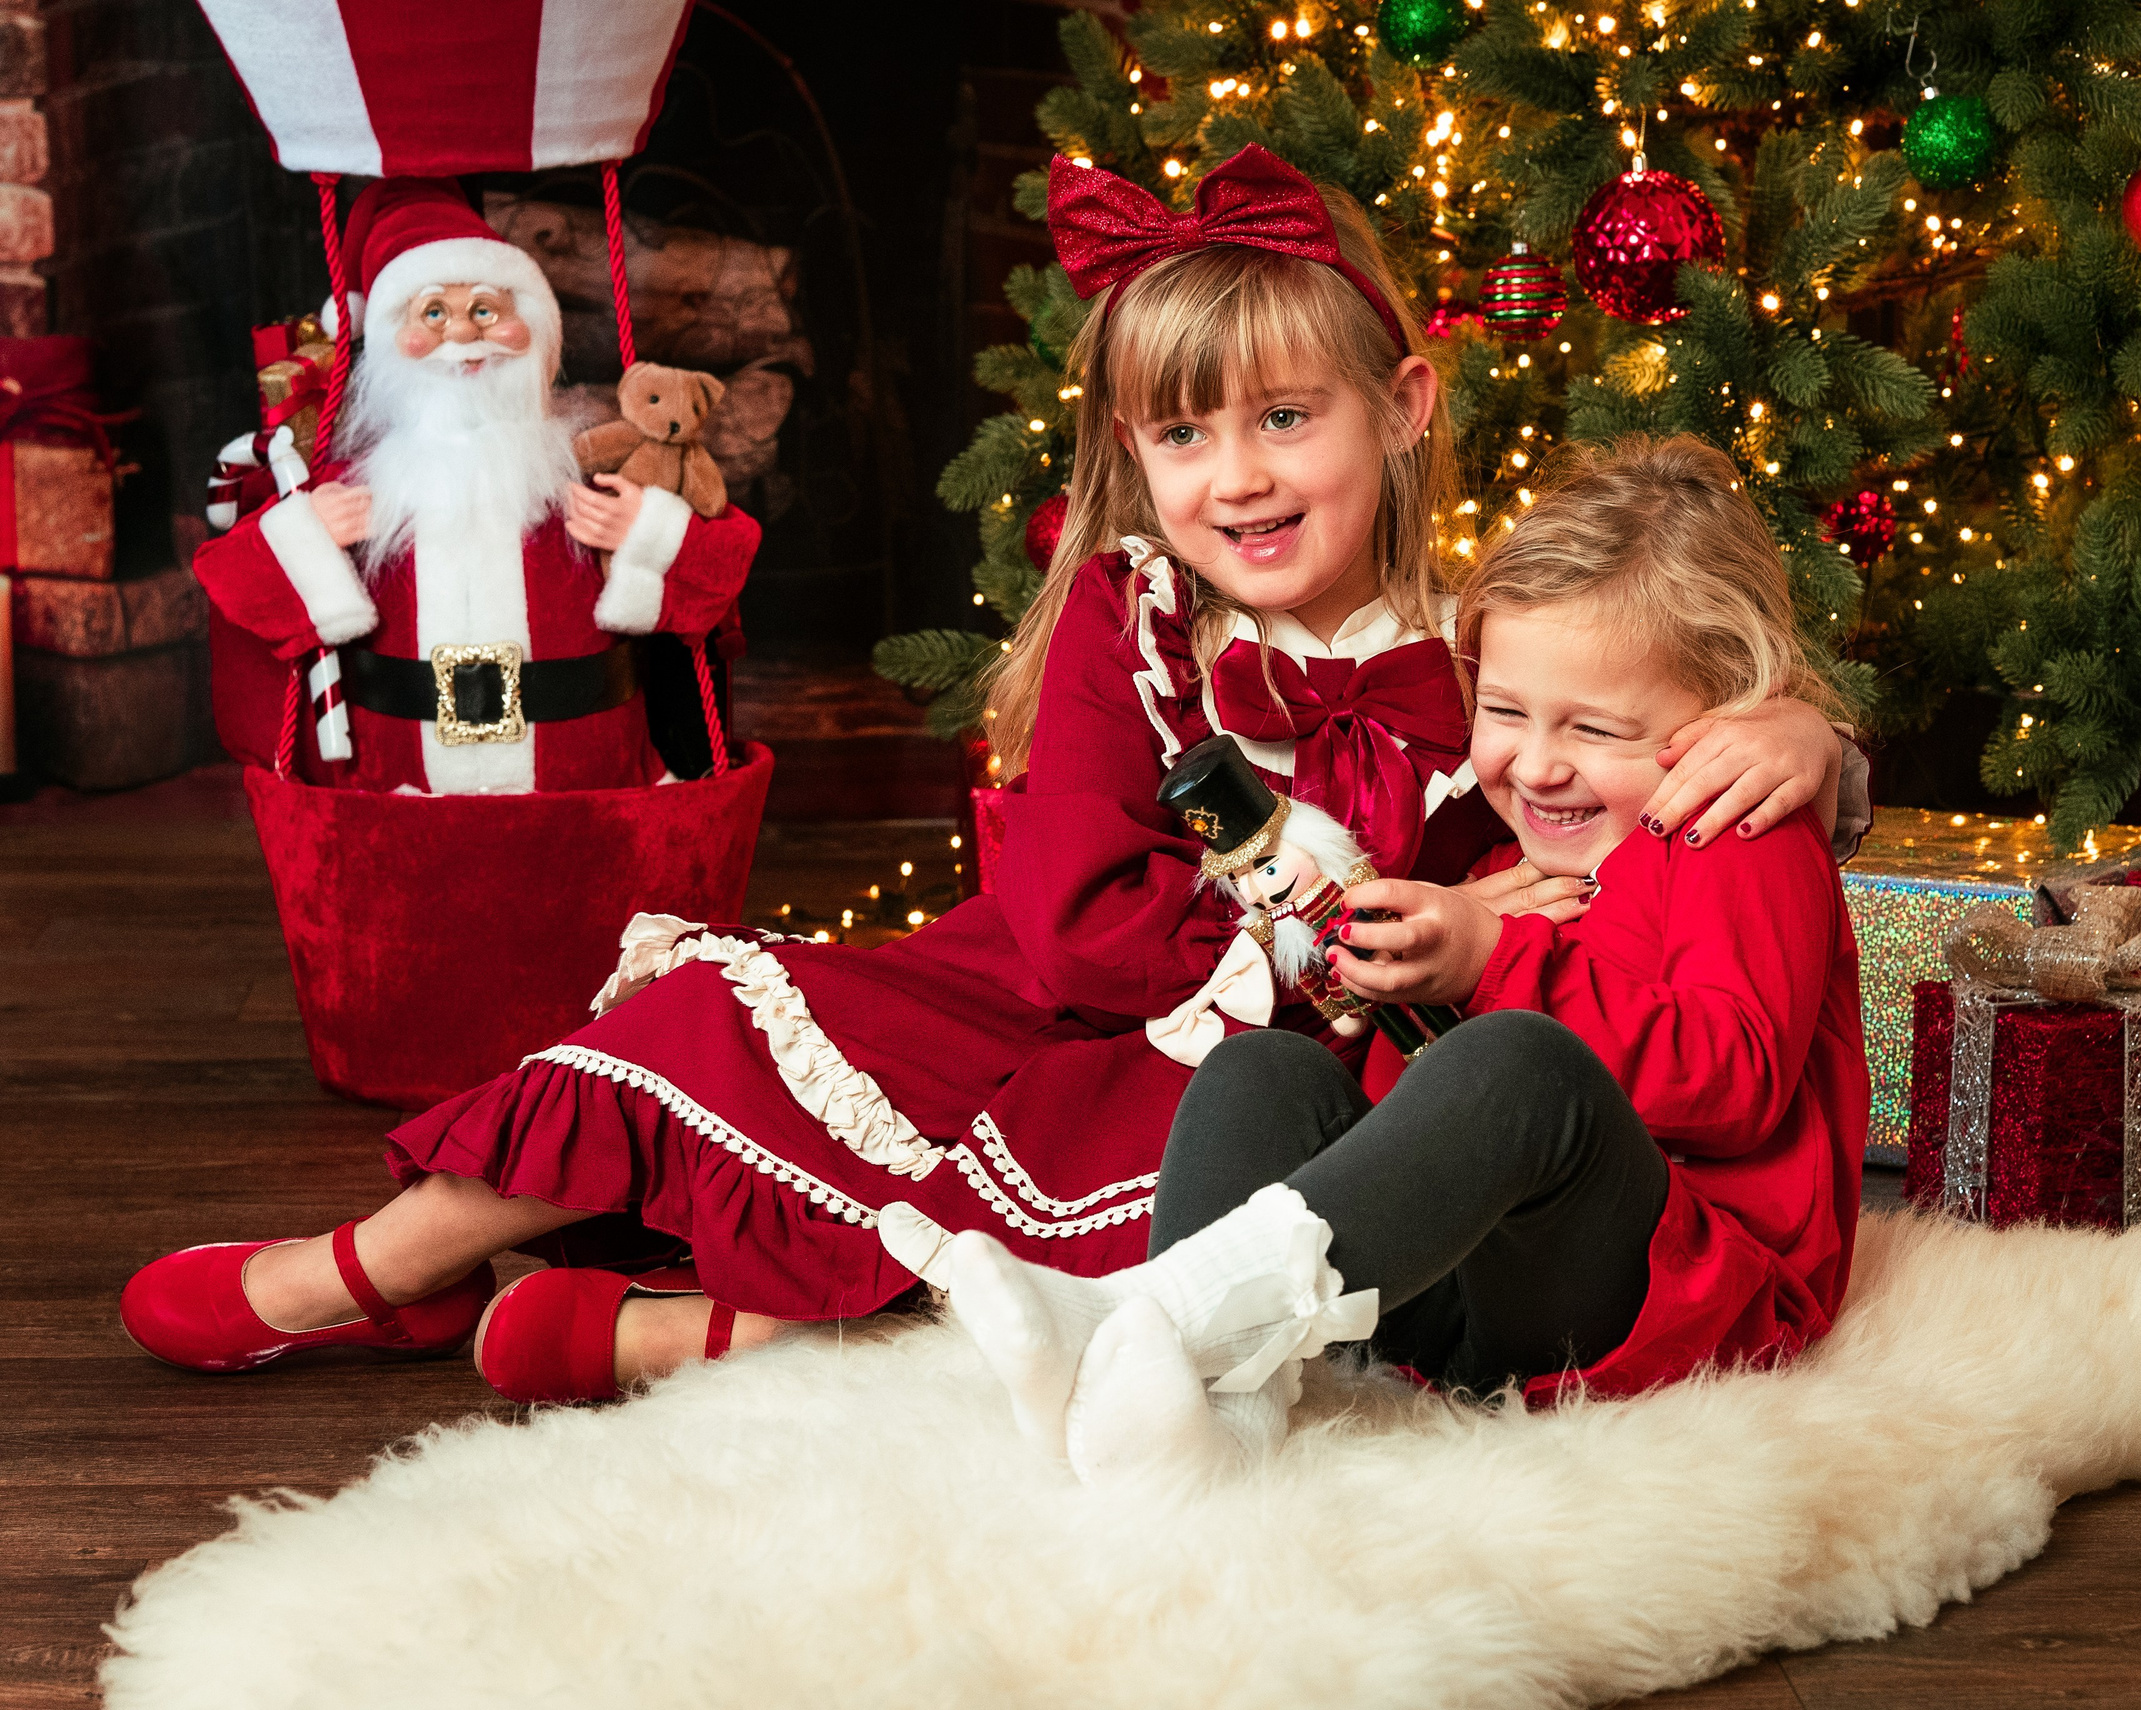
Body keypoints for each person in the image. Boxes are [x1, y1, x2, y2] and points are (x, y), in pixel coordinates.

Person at [122, 151, 1855, 1403]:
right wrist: (1390, 931)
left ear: (1402, 408)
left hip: (1283, 1067)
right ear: (1130, 456)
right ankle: (389, 1269)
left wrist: (1812, 743)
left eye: (1283, 421)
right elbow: (1086, 930)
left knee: (1223, 1213)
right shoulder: (1136, 620)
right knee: (716, 1022)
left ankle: (730, 1338)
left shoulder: (1488, 646)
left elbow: (1655, 721)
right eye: (1180, 436)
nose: (1235, 478)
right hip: (1057, 1000)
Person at [882, 435, 1867, 1486]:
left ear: (1719, 725)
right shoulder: (1503, 860)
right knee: (1264, 1072)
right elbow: (1441, 1115)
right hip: (1469, 1305)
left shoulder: (1737, 837)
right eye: (1501, 712)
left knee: (1522, 1063)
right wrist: (1395, 991)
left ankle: (1143, 1318)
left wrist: (1493, 967)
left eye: (1596, 729)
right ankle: (1214, 1412)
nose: (1536, 765)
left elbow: (1734, 1082)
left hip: (1676, 1301)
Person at [194, 176, 759, 793]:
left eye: (485, 310)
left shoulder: (591, 471)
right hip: (405, 795)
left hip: (586, 792)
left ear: (535, 327)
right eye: (432, 313)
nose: (463, 336)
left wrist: (647, 532)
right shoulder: (355, 487)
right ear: (389, 345)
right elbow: (231, 580)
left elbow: (723, 568)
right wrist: (307, 535)